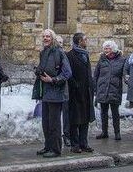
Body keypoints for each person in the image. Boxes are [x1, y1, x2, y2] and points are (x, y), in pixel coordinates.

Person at [33, 28, 71, 158]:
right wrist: (38, 71)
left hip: (56, 92)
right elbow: (43, 68)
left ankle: (56, 149)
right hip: (45, 92)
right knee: (46, 123)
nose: (45, 38)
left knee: (54, 123)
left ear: (52, 38)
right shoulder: (43, 52)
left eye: (47, 36)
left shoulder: (59, 52)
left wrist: (53, 79)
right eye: (43, 36)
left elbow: (67, 73)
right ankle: (48, 146)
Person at [66, 32, 95, 154]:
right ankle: (75, 144)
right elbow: (68, 73)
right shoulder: (70, 55)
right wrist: (75, 85)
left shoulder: (85, 55)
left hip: (86, 92)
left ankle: (84, 143)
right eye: (85, 39)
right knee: (75, 120)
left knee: (85, 119)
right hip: (75, 92)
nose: (86, 41)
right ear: (79, 41)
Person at [93, 39, 125, 141]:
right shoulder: (101, 60)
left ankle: (117, 133)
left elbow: (124, 74)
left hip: (114, 89)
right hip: (102, 89)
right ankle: (104, 132)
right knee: (103, 112)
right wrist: (95, 89)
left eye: (108, 48)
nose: (106, 50)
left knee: (115, 112)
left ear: (113, 49)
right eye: (105, 48)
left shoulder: (121, 60)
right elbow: (96, 75)